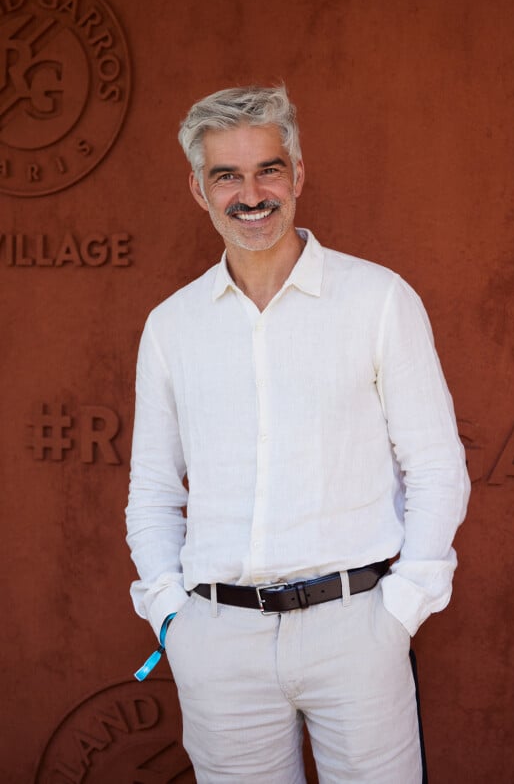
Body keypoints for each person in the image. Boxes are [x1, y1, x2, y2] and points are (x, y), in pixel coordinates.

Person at [126, 84, 470, 784]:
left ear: (299, 174)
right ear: (198, 188)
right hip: (218, 639)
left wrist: (398, 613)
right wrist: (171, 617)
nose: (251, 193)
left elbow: (436, 465)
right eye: (227, 175)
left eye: (268, 169)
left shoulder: (378, 300)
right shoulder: (171, 326)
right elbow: (154, 489)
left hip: (357, 630)